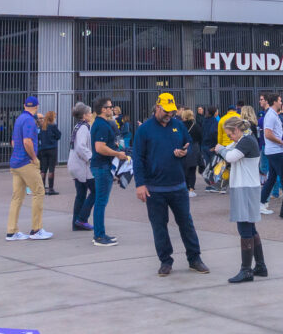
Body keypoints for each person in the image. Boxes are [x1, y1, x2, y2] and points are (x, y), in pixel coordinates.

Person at [132, 93, 209, 276]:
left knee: (186, 223)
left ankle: (194, 258)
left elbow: (187, 142)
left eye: (172, 112)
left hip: (178, 186)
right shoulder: (145, 130)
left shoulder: (178, 125)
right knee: (159, 226)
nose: (169, 115)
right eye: (166, 111)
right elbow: (138, 158)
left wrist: (184, 151)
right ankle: (165, 261)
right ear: (157, 107)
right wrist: (140, 184)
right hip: (154, 189)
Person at [215, 115, 268, 283]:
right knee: (250, 228)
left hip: (244, 187)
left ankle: (246, 270)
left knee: (244, 227)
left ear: (236, 130)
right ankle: (260, 266)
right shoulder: (245, 139)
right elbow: (230, 148)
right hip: (247, 187)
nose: (229, 137)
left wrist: (220, 149)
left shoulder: (245, 141)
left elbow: (229, 156)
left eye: (230, 134)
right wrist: (224, 148)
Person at [5, 97, 52, 241]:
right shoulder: (30, 121)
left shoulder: (19, 119)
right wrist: (33, 158)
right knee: (39, 192)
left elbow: (14, 141)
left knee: (17, 197)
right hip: (26, 162)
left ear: (24, 105)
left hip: (16, 162)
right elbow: (27, 141)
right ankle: (36, 229)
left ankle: (12, 231)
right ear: (37, 106)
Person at [90, 96, 128, 246]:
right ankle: (99, 236)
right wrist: (117, 154)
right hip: (102, 166)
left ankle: (100, 233)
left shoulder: (101, 124)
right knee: (101, 202)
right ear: (103, 109)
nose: (112, 109)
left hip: (102, 166)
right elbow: (100, 147)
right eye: (110, 107)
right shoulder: (101, 125)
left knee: (101, 201)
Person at [258, 93, 283, 216]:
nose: (281, 103)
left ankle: (261, 203)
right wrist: (281, 142)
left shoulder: (272, 114)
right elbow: (268, 134)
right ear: (275, 102)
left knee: (272, 179)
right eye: (280, 100)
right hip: (275, 150)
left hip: (275, 150)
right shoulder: (270, 115)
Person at [67, 102, 95, 231]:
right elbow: (81, 147)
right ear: (84, 115)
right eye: (89, 112)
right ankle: (82, 219)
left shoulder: (78, 126)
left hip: (74, 164)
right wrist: (91, 158)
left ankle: (76, 222)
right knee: (96, 191)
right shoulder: (84, 128)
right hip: (81, 166)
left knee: (81, 194)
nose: (91, 114)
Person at [37, 110, 61, 195]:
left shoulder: (41, 127)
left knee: (43, 169)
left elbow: (38, 137)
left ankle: (42, 188)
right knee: (51, 169)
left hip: (43, 150)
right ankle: (51, 189)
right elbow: (58, 135)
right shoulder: (53, 126)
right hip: (52, 149)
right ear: (52, 118)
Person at [180, 108, 202, 197]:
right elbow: (200, 137)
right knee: (192, 170)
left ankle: (185, 188)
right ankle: (191, 189)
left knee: (183, 170)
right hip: (194, 148)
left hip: (183, 148)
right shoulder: (195, 126)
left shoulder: (180, 125)